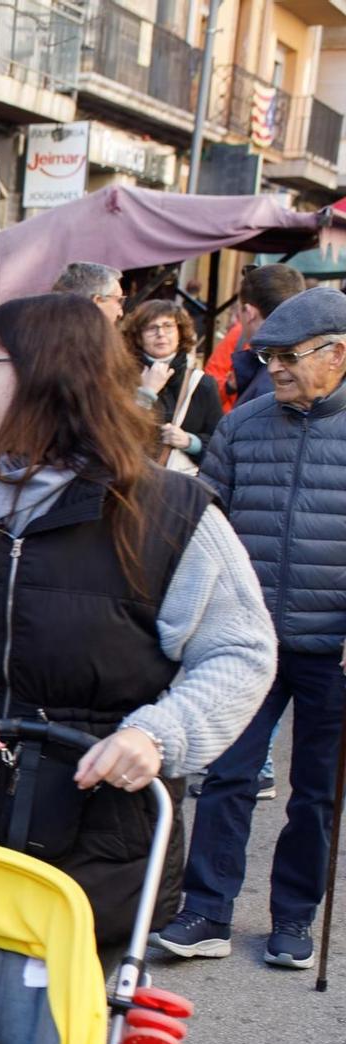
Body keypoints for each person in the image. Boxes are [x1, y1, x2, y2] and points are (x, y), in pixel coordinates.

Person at [0, 293, 273, 960]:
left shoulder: (170, 513)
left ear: (49, 375)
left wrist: (159, 733)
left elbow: (241, 652)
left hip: (99, 843)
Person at [155, 285, 346, 969]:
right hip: (249, 639)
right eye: (268, 358)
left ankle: (295, 917)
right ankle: (206, 909)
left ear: (337, 354)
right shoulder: (244, 424)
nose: (275, 370)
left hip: (336, 648)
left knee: (317, 791)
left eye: (288, 358)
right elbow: (203, 520)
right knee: (229, 774)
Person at [120, 298, 223, 474]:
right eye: (151, 328)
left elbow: (221, 447)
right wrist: (146, 393)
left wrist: (191, 442)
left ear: (180, 332)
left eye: (168, 326)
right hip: (132, 482)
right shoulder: (123, 378)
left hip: (183, 486)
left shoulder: (202, 384)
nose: (161, 334)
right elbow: (115, 435)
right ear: (138, 336)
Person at [223, 264, 307, 409]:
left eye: (239, 312)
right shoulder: (310, 363)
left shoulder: (272, 382)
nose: (275, 367)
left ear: (249, 313)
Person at [50, 262, 124, 324]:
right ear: (97, 301)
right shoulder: (91, 340)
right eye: (119, 301)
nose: (121, 313)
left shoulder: (44, 332)